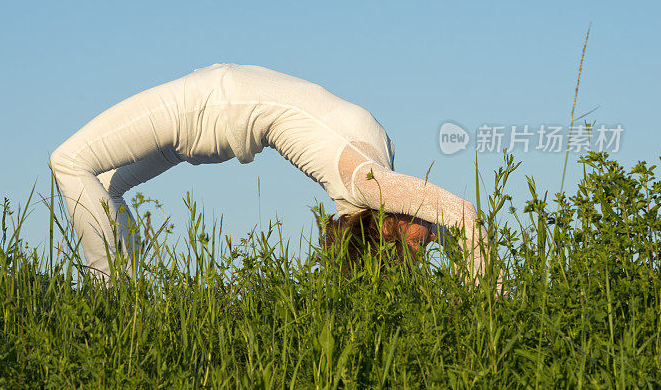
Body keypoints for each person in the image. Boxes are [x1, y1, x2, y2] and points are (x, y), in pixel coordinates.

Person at [50, 63, 490, 281]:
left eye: (424, 239)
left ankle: (110, 297)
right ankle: (128, 297)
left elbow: (462, 214)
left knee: (68, 161)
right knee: (106, 190)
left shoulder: (366, 183)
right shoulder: (378, 171)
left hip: (208, 107)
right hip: (215, 116)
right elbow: (455, 222)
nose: (432, 235)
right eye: (431, 234)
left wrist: (487, 302)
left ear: (392, 226)